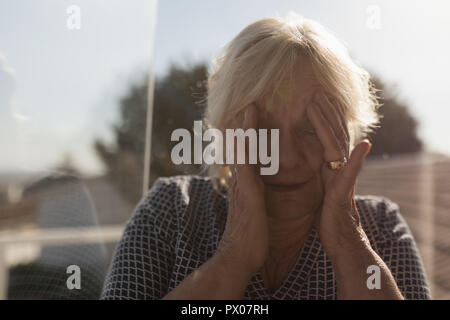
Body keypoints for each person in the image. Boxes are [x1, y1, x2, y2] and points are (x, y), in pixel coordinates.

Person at [101, 13, 430, 300]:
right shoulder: (172, 211)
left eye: (311, 130)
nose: (286, 158)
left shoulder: (381, 227)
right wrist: (234, 259)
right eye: (263, 130)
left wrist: (348, 242)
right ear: (228, 133)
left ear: (345, 134)